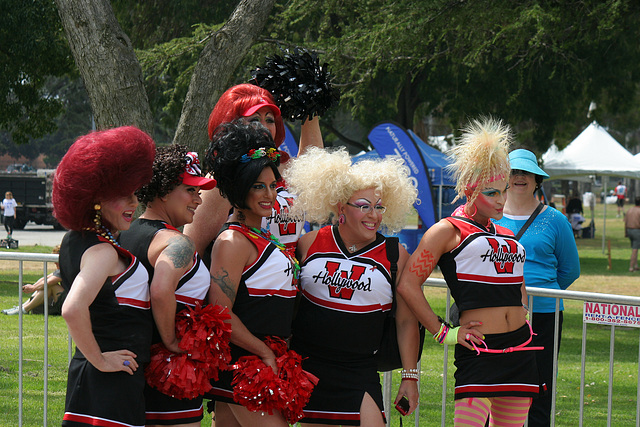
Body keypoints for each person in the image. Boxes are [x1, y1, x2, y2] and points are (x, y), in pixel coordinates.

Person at [397, 118, 541, 427]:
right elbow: (408, 283)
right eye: (492, 192)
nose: (502, 200)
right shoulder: (448, 230)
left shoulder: (504, 231)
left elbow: (517, 279)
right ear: (469, 189)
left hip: (520, 348)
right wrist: (443, 332)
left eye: (504, 191)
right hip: (479, 348)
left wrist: (523, 308)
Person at [282, 147, 420, 426]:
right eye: (363, 205)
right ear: (339, 206)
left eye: (379, 206)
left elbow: (407, 321)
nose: (374, 215)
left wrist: (410, 377)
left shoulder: (395, 255)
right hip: (308, 368)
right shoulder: (308, 243)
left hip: (360, 371)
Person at [53, 126, 156, 427]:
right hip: (110, 381)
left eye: (135, 193)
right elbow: (72, 308)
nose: (134, 203)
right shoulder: (103, 252)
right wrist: (100, 359)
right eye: (123, 196)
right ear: (96, 198)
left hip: (97, 378)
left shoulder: (75, 240)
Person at [206, 121, 299, 427]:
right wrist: (264, 353)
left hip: (260, 361)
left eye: (273, 185)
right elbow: (219, 313)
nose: (269, 194)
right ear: (239, 188)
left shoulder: (262, 236)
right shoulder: (232, 241)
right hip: (244, 364)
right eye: (258, 186)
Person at [119, 145, 217, 426]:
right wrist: (171, 343)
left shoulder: (125, 234)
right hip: (172, 373)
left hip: (136, 368)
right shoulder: (177, 242)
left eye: (199, 192)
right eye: (190, 190)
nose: (198, 200)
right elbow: (161, 290)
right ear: (163, 191)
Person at [184, 83, 323, 259]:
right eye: (255, 120)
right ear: (232, 124)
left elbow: (313, 163)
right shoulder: (223, 177)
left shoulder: (284, 166)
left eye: (270, 120)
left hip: (289, 281)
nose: (264, 126)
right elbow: (192, 250)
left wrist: (310, 108)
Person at [495, 149, 580, 427]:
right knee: (494, 386)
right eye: (514, 172)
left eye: (526, 173)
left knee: (540, 387)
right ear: (504, 178)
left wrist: (539, 295)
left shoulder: (555, 219)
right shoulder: (490, 217)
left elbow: (570, 269)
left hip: (545, 315)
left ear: (536, 180)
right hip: (497, 314)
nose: (519, 178)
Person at [2, 245, 66, 315]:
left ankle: (24, 310)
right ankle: (22, 307)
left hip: (70, 303)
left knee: (50, 286)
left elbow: (50, 282)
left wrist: (33, 288)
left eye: (56, 259)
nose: (55, 262)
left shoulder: (66, 268)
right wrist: (33, 286)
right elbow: (45, 278)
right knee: (43, 286)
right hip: (66, 301)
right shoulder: (61, 269)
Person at [624, 197, 640, 272]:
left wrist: (625, 232)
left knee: (634, 247)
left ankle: (636, 265)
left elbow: (625, 222)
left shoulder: (629, 210)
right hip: (637, 230)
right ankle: (631, 267)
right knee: (635, 249)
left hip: (629, 230)